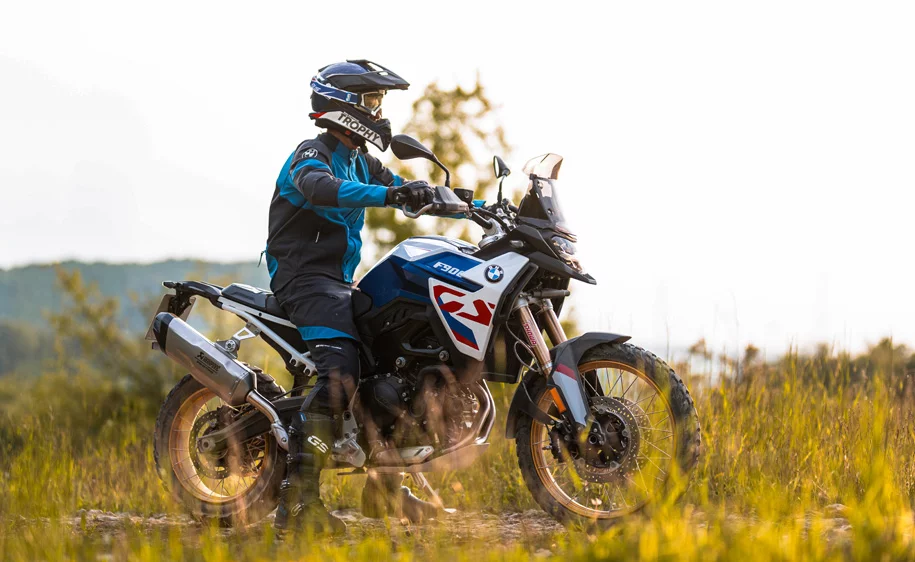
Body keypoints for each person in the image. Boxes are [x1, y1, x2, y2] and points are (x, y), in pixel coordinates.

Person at [264, 60, 442, 536]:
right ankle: (298, 508)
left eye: (379, 103)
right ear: (343, 106)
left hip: (340, 282)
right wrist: (390, 197)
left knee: (398, 359)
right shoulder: (310, 155)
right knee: (341, 373)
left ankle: (382, 491)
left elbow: (404, 189)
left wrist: (483, 208)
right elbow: (322, 189)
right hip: (303, 279)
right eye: (371, 102)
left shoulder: (362, 160)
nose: (379, 113)